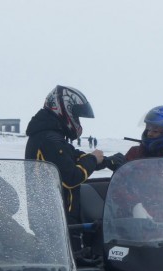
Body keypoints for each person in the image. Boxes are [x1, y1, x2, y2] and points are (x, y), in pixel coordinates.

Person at [25, 85, 125, 242]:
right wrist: (93, 159)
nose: (77, 121)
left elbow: (72, 157)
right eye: (76, 116)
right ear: (64, 109)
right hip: (54, 222)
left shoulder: (50, 135)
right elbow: (71, 177)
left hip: (56, 219)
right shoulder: (49, 140)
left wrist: (106, 161)